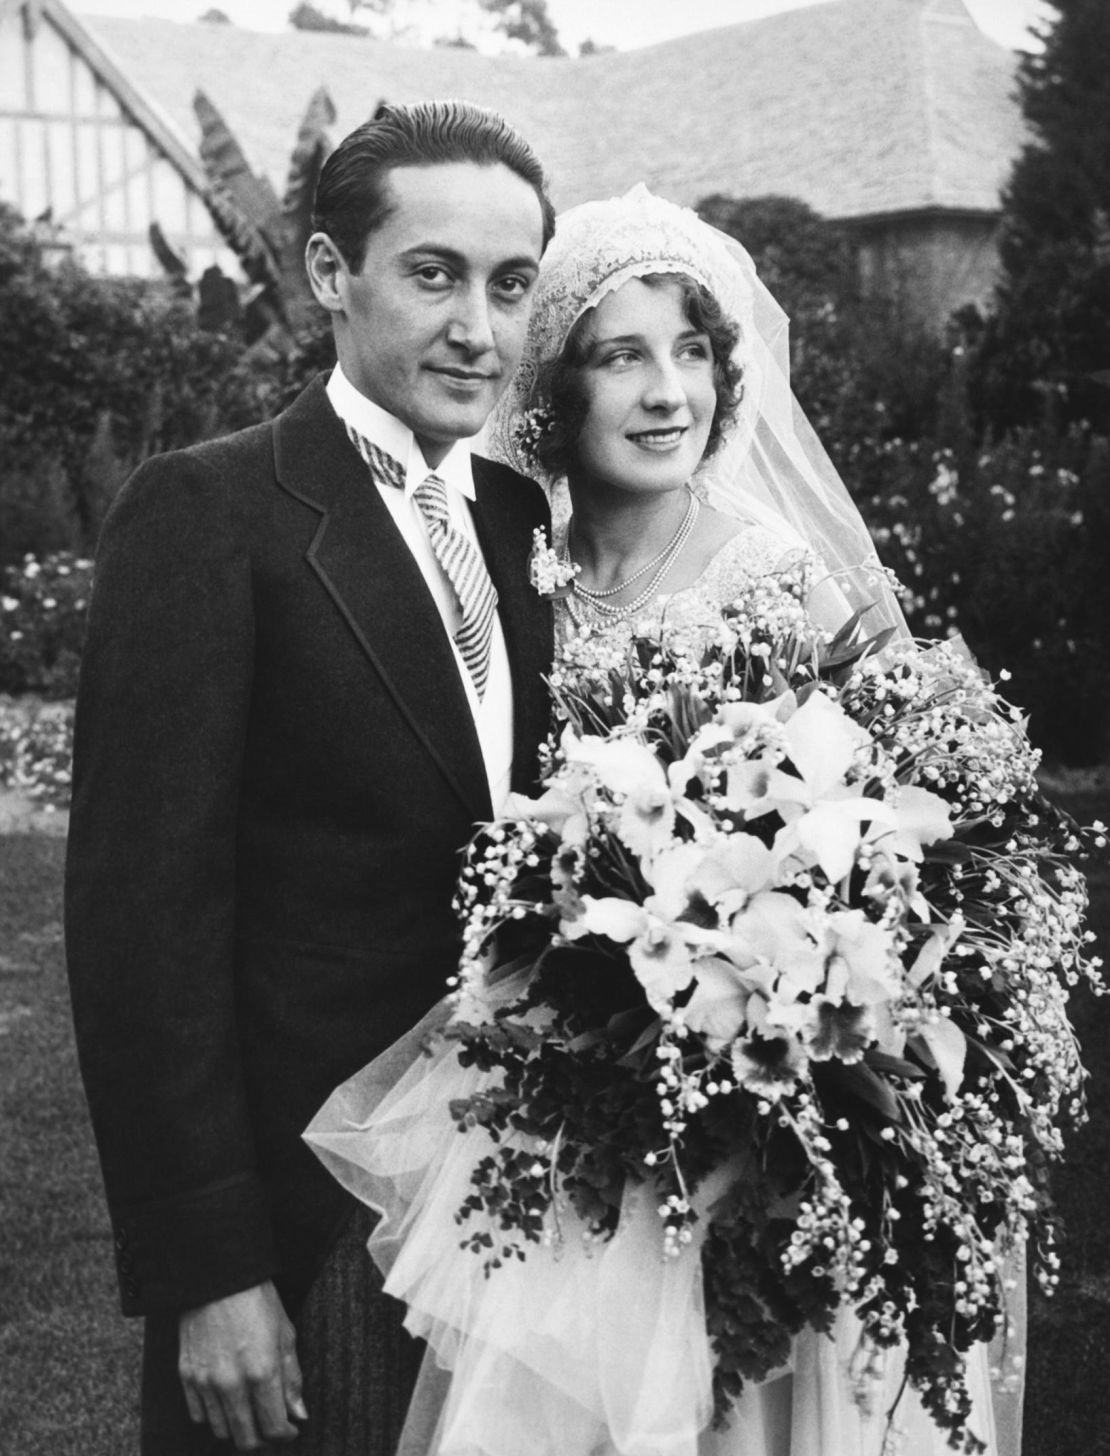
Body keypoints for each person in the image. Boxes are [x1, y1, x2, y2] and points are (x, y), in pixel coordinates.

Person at [306, 186, 1024, 1456]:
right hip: (562, 1067)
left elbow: (872, 829)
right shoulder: (516, 564)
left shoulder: (771, 570)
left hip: (740, 1081)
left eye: (692, 351)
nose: (666, 392)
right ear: (557, 390)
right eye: (622, 355)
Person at [63, 100, 556, 1455]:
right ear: (333, 277)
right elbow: (137, 930)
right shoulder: (206, 513)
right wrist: (208, 1270)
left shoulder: (518, 523)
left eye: (509, 286)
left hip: (518, 1206)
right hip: (306, 1221)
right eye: (434, 273)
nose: (477, 326)